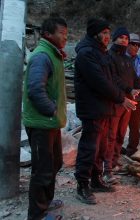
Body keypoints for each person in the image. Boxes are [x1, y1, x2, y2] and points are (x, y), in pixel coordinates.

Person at [74, 18, 136, 204]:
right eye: (105, 33)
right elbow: (100, 82)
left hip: (104, 108)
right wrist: (121, 98)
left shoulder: (101, 53)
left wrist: (124, 93)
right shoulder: (86, 54)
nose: (108, 37)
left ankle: (96, 179)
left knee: (101, 147)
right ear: (95, 34)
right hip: (92, 109)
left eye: (109, 33)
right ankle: (82, 185)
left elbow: (112, 80)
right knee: (89, 148)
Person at [23, 17, 68, 220]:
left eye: (67, 34)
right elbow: (35, 89)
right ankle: (37, 215)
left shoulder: (53, 53)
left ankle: (46, 203)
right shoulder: (42, 56)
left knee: (54, 163)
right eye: (62, 33)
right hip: (41, 123)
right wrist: (52, 110)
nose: (65, 37)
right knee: (42, 171)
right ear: (48, 34)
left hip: (50, 123)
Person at [103, 27, 140, 183]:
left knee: (121, 135)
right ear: (114, 39)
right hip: (116, 102)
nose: (124, 41)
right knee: (111, 135)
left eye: (126, 38)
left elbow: (135, 77)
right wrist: (129, 89)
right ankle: (106, 168)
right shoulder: (110, 57)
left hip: (128, 103)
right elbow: (113, 79)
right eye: (120, 37)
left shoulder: (127, 60)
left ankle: (114, 163)